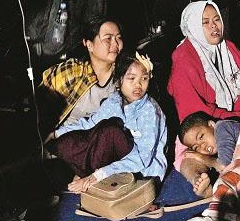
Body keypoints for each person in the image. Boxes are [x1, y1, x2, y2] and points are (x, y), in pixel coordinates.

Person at [168, 0, 240, 196]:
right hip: (201, 124)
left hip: (229, 110)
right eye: (205, 22)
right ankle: (200, 180)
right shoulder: (183, 58)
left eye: (216, 20)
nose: (214, 26)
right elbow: (195, 115)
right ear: (194, 26)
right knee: (185, 154)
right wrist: (236, 117)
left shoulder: (227, 47)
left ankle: (231, 147)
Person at [48, 51, 167, 193]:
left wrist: (98, 175)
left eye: (144, 78)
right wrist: (55, 134)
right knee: (66, 143)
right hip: (109, 164)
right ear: (120, 80)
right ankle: (87, 177)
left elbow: (143, 158)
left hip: (142, 171)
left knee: (110, 131)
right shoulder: (114, 100)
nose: (138, 85)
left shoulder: (150, 111)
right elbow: (89, 124)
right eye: (132, 78)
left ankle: (90, 179)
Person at [40, 17, 124, 133]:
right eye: (108, 38)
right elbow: (40, 107)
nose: (115, 43)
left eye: (118, 38)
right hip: (68, 138)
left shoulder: (125, 75)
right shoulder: (72, 72)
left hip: (104, 140)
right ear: (89, 45)